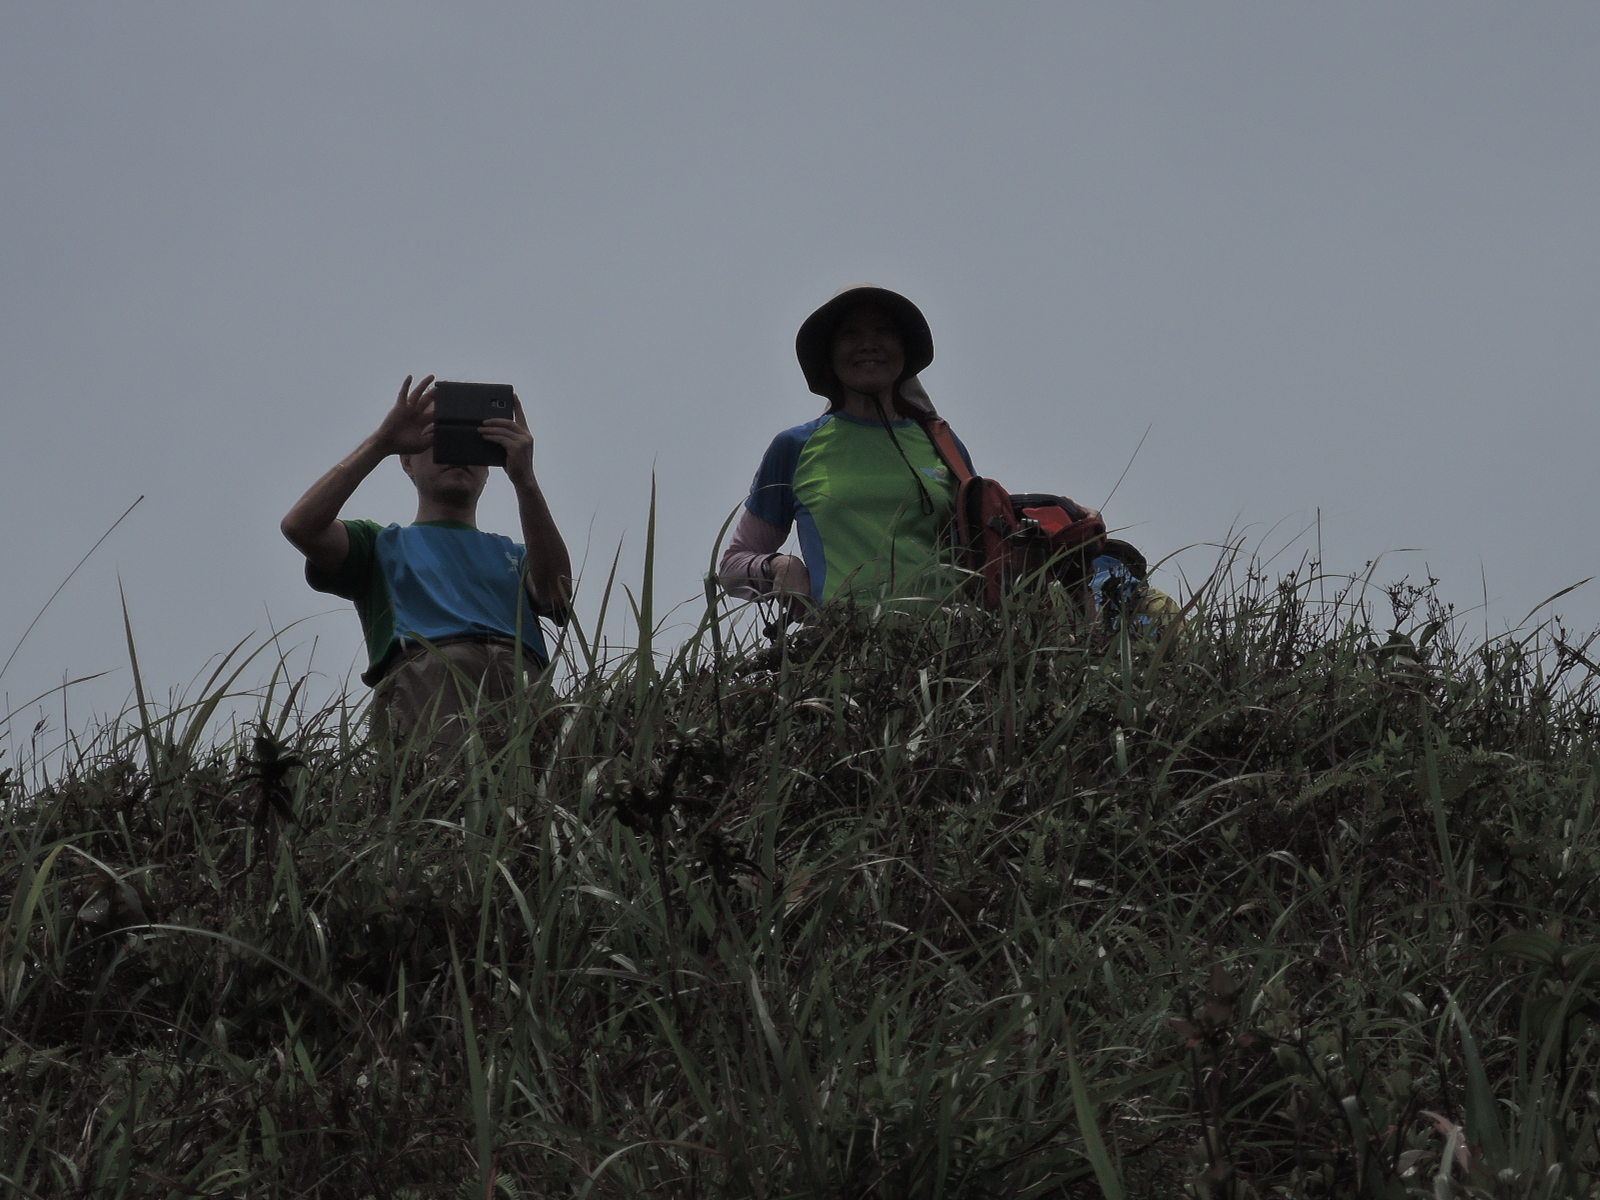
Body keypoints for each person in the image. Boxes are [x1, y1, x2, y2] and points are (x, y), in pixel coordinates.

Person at [281, 375, 571, 749]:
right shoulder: (378, 543)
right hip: (427, 682)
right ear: (407, 462)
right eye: (439, 439)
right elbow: (301, 526)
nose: (457, 456)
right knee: (440, 782)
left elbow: (557, 596)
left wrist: (525, 479)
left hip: (522, 683)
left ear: (488, 466)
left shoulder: (517, 554)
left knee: (532, 785)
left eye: (472, 444)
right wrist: (380, 443)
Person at [719, 285, 974, 614]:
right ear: (828, 354)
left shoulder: (943, 445)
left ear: (905, 348)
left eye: (883, 330)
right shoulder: (796, 447)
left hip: (948, 642)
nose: (868, 344)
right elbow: (732, 567)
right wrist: (777, 566)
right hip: (843, 643)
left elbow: (981, 552)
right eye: (849, 334)